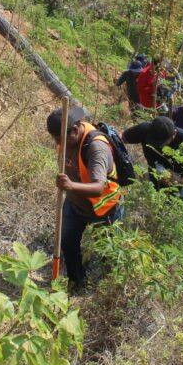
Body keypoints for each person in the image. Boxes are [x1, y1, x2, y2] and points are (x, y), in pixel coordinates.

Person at [46, 107, 123, 289]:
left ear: (75, 130)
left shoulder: (96, 148)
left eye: (60, 139)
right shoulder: (67, 138)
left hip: (104, 209)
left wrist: (70, 186)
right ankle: (77, 281)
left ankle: (108, 290)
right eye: (55, 139)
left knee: (108, 253)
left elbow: (98, 188)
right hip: (75, 203)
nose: (57, 143)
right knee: (67, 241)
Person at [122, 116, 183, 201]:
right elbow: (121, 140)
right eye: (154, 141)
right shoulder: (143, 130)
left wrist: (181, 181)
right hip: (156, 174)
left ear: (174, 135)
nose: (158, 147)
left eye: (162, 143)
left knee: (180, 204)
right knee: (155, 202)